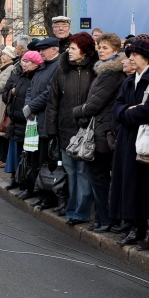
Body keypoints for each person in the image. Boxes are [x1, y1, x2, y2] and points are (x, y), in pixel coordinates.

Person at [109, 34, 149, 249]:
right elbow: (116, 108)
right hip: (128, 139)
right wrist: (128, 111)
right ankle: (136, 226)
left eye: (135, 54)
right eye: (130, 54)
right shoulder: (128, 80)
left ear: (146, 56)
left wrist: (126, 114)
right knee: (130, 184)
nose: (131, 58)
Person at [71, 33, 125, 230]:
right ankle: (105, 218)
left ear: (116, 50)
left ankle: (106, 219)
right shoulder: (105, 71)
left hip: (103, 131)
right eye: (100, 47)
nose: (101, 51)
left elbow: (94, 104)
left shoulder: (111, 73)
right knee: (100, 177)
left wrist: (76, 112)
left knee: (99, 177)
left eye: (106, 48)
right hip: (102, 128)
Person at [45, 33, 97, 223]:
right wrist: (51, 131)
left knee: (83, 173)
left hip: (86, 132)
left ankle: (81, 212)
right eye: (69, 47)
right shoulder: (61, 71)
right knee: (70, 172)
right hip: (65, 130)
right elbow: (53, 103)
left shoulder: (95, 70)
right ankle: (72, 208)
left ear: (84, 50)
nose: (69, 51)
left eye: (73, 48)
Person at [18, 37, 61, 201]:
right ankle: (33, 189)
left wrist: (32, 106)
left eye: (43, 49)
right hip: (34, 121)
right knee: (32, 158)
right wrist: (28, 105)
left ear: (54, 50)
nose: (40, 52)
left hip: (46, 121)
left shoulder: (57, 67)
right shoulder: (42, 68)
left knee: (44, 160)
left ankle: (46, 196)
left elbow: (49, 93)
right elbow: (31, 88)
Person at [4, 51, 40, 189]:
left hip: (27, 120)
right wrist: (9, 92)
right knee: (15, 152)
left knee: (25, 154)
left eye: (27, 61)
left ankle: (24, 182)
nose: (24, 64)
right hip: (15, 119)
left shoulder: (34, 78)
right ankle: (15, 178)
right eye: (23, 61)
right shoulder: (19, 76)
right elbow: (5, 94)